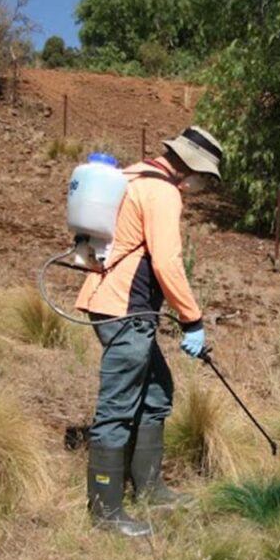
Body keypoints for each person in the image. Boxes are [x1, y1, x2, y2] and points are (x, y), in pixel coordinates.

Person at [75, 126, 223, 537]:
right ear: (190, 169)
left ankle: (151, 487)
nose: (201, 186)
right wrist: (192, 320)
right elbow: (167, 263)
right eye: (204, 178)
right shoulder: (163, 193)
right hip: (127, 311)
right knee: (118, 408)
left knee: (156, 392)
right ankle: (105, 512)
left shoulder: (132, 175)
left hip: (111, 304)